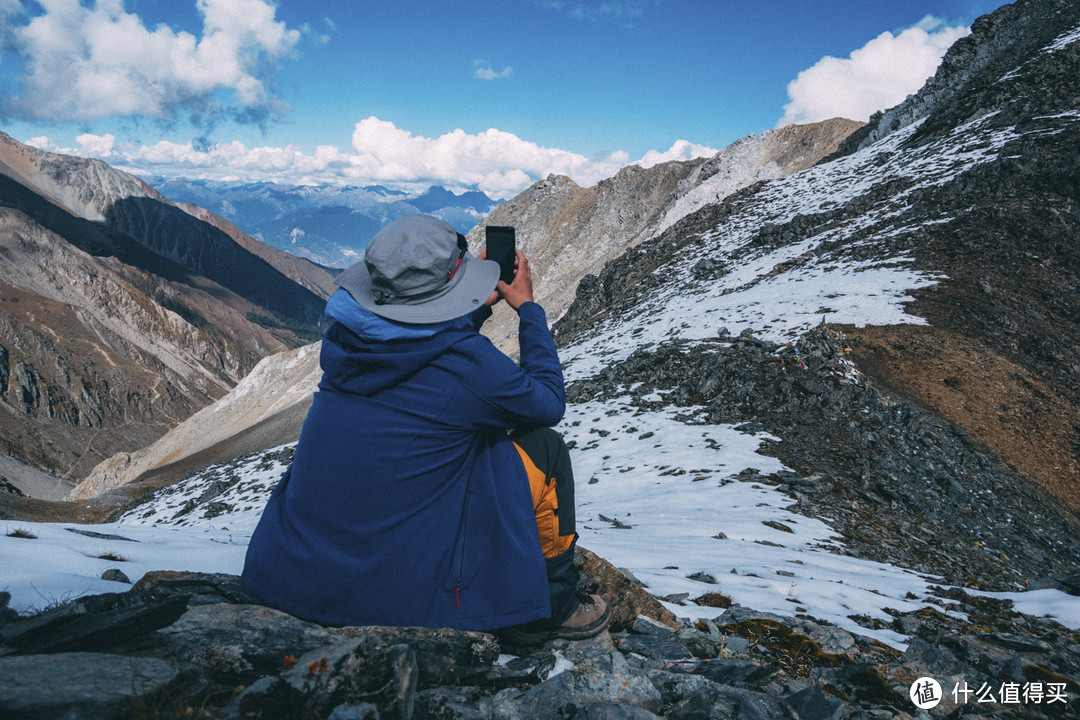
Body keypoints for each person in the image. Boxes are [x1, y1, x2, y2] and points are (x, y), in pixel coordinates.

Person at [241, 213, 609, 641]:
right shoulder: (467, 365)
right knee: (543, 449)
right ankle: (550, 605)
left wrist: (470, 311)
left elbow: (415, 345)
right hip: (389, 599)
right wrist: (527, 307)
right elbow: (546, 402)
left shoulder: (345, 339)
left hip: (291, 577)